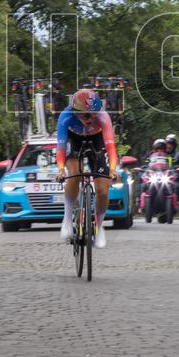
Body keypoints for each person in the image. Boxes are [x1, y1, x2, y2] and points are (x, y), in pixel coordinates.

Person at [54, 88, 119, 249]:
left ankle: (99, 226)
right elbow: (61, 148)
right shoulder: (65, 116)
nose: (89, 118)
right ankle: (68, 219)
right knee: (74, 173)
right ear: (75, 111)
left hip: (97, 140)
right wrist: (61, 169)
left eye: (92, 113)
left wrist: (112, 169)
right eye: (84, 114)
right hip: (73, 140)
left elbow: (111, 146)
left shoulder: (103, 117)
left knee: (103, 190)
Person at [165, 134, 179, 199]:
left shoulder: (178, 154)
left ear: (175, 145)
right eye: (168, 143)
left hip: (172, 173)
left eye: (171, 144)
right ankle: (140, 198)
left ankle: (178, 196)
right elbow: (149, 160)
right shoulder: (159, 153)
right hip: (158, 173)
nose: (169, 145)